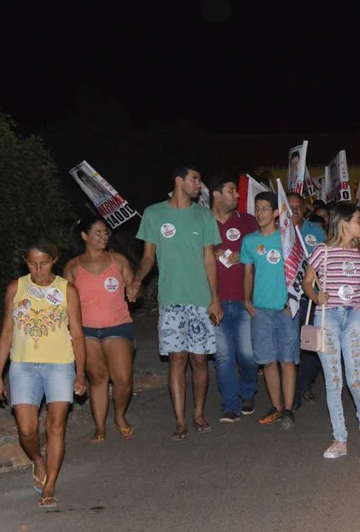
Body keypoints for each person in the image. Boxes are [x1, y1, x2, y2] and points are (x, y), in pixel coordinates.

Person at [0, 240, 87, 508]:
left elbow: (77, 333)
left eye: (43, 263)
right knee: (26, 429)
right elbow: (6, 333)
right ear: (26, 261)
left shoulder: (67, 289)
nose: (38, 268)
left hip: (59, 364)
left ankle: (50, 484)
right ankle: (38, 460)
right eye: (32, 263)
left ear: (54, 260)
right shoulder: (16, 288)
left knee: (56, 426)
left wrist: (81, 373)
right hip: (23, 365)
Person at [133, 165, 222, 440]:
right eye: (195, 179)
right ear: (179, 180)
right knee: (177, 359)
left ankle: (198, 414)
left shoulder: (204, 216)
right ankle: (181, 420)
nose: (199, 185)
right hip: (171, 299)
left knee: (199, 359)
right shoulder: (154, 213)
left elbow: (210, 259)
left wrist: (215, 298)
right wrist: (137, 280)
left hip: (200, 299)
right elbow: (149, 255)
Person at [304, 204, 360, 459]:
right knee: (333, 381)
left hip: (354, 316)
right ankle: (340, 438)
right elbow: (306, 282)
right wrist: (316, 294)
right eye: (358, 220)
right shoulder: (322, 251)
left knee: (356, 379)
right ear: (344, 223)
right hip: (328, 318)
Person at [63, 218, 137, 442]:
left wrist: (135, 290)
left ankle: (120, 416)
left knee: (123, 378)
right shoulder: (73, 267)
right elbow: (64, 302)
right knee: (98, 378)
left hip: (118, 324)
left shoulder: (119, 261)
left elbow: (134, 289)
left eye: (105, 232)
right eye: (97, 233)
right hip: (86, 330)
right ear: (84, 236)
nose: (104, 236)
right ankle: (99, 426)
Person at [240, 192, 299, 429]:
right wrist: (247, 300)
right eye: (258, 208)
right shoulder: (249, 241)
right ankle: (276, 406)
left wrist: (293, 301)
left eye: (265, 208)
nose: (260, 213)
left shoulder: (288, 239)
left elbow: (300, 272)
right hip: (260, 309)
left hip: (285, 308)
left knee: (287, 359)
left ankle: (288, 408)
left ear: (276, 213)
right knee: (268, 360)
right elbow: (247, 273)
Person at [208, 176, 260, 422]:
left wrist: (246, 255)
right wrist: (206, 253)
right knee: (224, 356)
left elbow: (264, 252)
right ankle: (230, 405)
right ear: (216, 194)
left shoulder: (248, 222)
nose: (237, 195)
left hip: (244, 301)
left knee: (247, 354)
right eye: (231, 191)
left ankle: (248, 390)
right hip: (214, 301)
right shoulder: (203, 222)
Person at [289, 192, 330, 406]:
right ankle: (292, 394)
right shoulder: (279, 232)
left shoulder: (315, 231)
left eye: (298, 206)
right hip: (288, 297)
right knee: (291, 346)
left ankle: (304, 383)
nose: (294, 210)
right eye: (290, 206)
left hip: (311, 295)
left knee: (313, 345)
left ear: (306, 208)